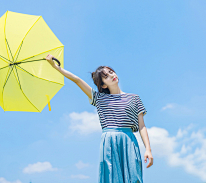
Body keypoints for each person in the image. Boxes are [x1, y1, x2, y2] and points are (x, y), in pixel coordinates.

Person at [45, 54, 153, 183]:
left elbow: (142, 126)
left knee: (134, 177)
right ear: (103, 85)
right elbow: (77, 80)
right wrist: (55, 67)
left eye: (111, 72)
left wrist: (148, 149)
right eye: (106, 76)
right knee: (111, 178)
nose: (112, 75)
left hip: (129, 140)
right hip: (109, 141)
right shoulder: (99, 98)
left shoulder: (134, 98)